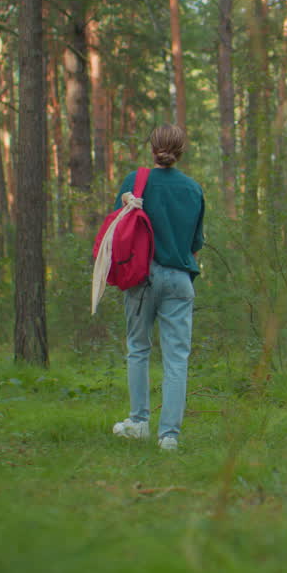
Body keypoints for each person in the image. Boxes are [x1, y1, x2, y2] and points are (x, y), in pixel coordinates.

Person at [111, 125, 205, 451]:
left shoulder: (134, 182)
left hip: (142, 277)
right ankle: (169, 437)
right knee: (176, 358)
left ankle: (138, 423)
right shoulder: (193, 189)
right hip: (180, 279)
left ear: (152, 149)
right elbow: (195, 244)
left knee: (138, 349)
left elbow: (117, 232)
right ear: (182, 150)